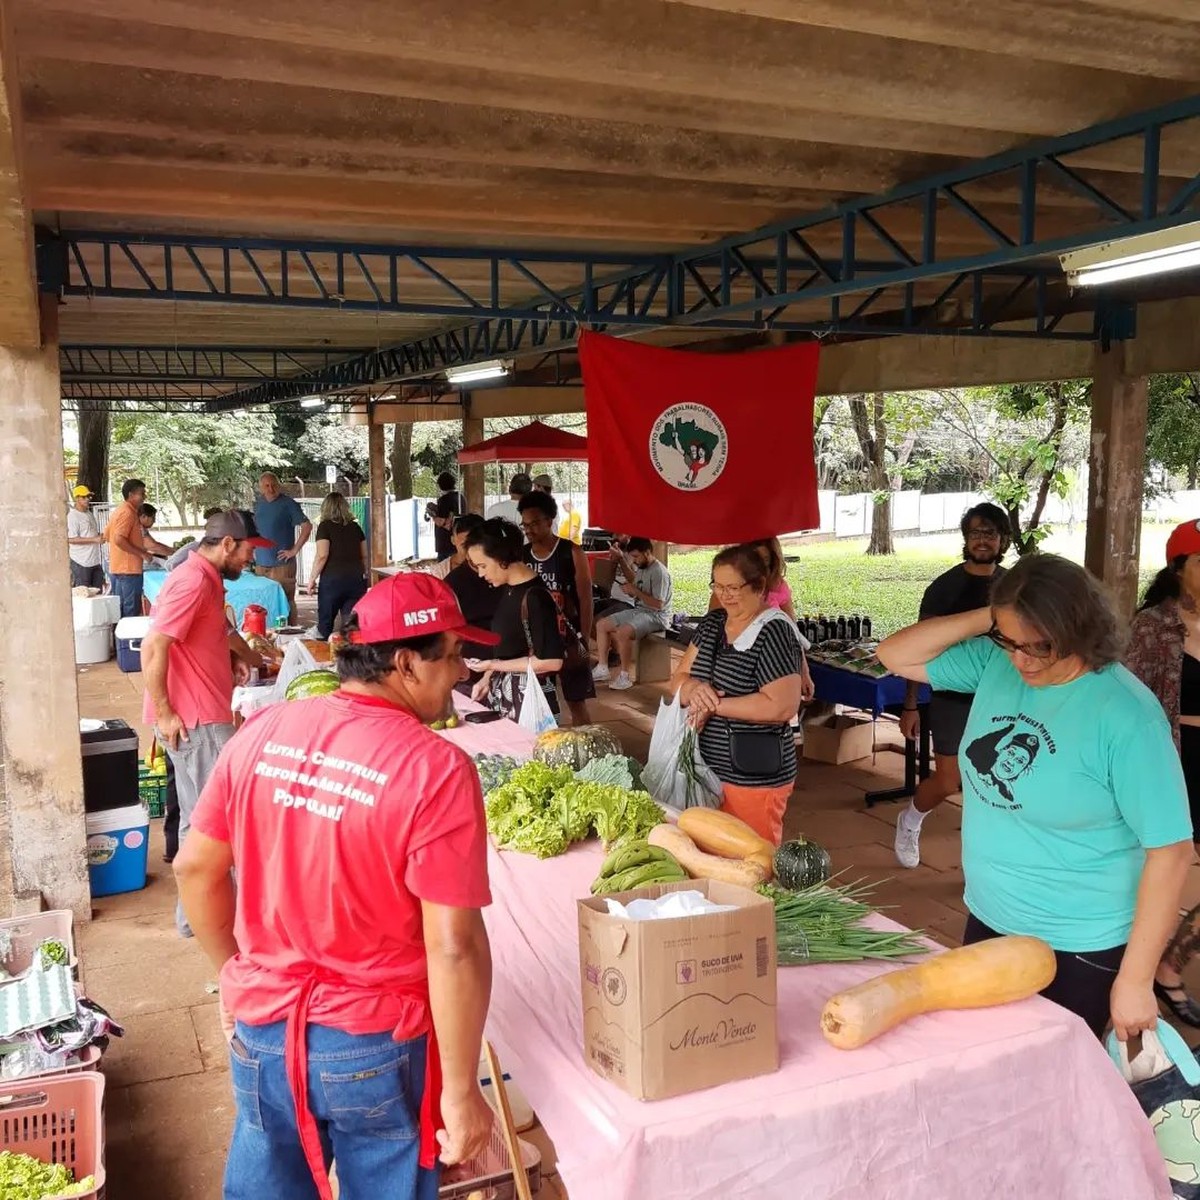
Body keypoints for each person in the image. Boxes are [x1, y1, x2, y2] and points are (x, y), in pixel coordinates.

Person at [173, 572, 497, 1200]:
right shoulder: (436, 767)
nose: (460, 672)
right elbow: (454, 947)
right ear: (405, 662)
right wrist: (461, 1094)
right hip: (373, 1044)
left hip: (264, 1031)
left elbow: (194, 868)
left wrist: (237, 974)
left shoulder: (264, 730)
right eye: (453, 656)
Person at [876, 553, 1193, 1040]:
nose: (1022, 660)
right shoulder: (996, 666)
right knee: (982, 1061)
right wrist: (1000, 612)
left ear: (1081, 629)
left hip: (1080, 943)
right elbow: (894, 654)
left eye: (1040, 645)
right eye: (1009, 641)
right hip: (991, 916)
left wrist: (1134, 978)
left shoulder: (1127, 716)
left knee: (1056, 1081)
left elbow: (1170, 853)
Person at [141, 511, 272, 937]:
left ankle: (194, 920)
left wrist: (234, 658)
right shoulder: (193, 580)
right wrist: (164, 711)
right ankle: (217, 923)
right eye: (249, 551)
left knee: (197, 821)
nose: (250, 561)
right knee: (217, 825)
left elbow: (213, 631)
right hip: (197, 722)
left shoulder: (208, 578)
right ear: (229, 544)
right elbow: (154, 646)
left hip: (202, 714)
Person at [894, 503, 1012, 868]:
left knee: (992, 783)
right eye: (975, 532)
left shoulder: (1012, 586)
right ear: (965, 538)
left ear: (1002, 539)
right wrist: (911, 705)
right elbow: (917, 648)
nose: (982, 540)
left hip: (999, 695)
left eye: (989, 533)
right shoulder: (944, 588)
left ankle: (984, 860)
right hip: (951, 696)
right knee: (948, 781)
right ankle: (910, 819)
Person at [670, 544, 804, 846]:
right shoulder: (712, 624)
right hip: (703, 766)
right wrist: (694, 690)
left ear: (758, 586)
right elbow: (678, 680)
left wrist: (714, 705)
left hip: (752, 775)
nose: (724, 595)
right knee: (708, 856)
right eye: (718, 586)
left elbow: (781, 706)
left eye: (733, 587)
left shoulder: (775, 631)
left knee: (752, 859)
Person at [1125, 518, 1200, 1026]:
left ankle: (1170, 963)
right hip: (1175, 758)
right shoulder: (1153, 626)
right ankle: (1140, 970)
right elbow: (1128, 702)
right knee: (1166, 868)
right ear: (1179, 569)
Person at [464, 519, 563, 721]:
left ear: (502, 558)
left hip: (530, 703)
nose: (481, 574)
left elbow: (552, 661)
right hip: (506, 696)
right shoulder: (508, 589)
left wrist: (491, 665)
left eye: (483, 565)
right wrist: (486, 678)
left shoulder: (535, 597)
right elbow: (509, 650)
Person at [519, 490, 595, 723]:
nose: (528, 529)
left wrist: (583, 637)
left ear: (550, 521)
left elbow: (585, 597)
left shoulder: (571, 551)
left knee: (576, 701)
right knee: (540, 701)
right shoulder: (523, 556)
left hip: (569, 638)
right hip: (538, 641)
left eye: (533, 523)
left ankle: (587, 751)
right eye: (524, 525)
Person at [593, 537, 673, 692]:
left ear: (647, 552)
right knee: (601, 625)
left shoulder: (659, 572)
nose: (635, 561)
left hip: (657, 615)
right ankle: (602, 667)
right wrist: (631, 591)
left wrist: (635, 592)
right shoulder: (643, 567)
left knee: (623, 632)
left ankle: (624, 676)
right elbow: (637, 588)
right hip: (640, 610)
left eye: (636, 557)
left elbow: (659, 604)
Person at [444, 516, 500, 690]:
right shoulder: (452, 582)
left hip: (508, 662)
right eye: (463, 546)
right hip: (470, 666)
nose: (468, 551)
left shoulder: (505, 575)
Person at [303, 492, 368, 640]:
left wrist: (312, 579)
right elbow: (364, 555)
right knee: (351, 626)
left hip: (332, 582)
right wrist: (363, 575)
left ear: (325, 508)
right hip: (355, 581)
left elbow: (322, 555)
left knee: (324, 627)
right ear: (345, 507)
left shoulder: (325, 527)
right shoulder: (356, 527)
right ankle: (350, 658)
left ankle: (324, 658)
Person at [253, 473, 312, 623]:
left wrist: (294, 550)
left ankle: (292, 631)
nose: (270, 488)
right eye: (266, 485)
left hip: (282, 565)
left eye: (273, 485)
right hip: (261, 564)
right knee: (263, 602)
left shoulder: (288, 503)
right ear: (261, 487)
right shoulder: (258, 504)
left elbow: (307, 526)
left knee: (286, 600)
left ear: (278, 485)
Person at [107, 478, 169, 617]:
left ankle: (120, 638)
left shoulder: (118, 511)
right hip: (128, 570)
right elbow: (118, 539)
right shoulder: (128, 513)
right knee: (130, 611)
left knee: (120, 610)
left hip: (118, 567)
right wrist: (142, 553)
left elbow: (107, 536)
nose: (144, 496)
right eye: (142, 493)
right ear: (131, 495)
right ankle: (129, 639)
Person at [66, 485, 105, 589]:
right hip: (81, 562)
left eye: (88, 497)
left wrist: (99, 536)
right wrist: (94, 539)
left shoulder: (89, 514)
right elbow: (70, 539)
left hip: (94, 561)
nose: (87, 499)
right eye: (84, 497)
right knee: (83, 595)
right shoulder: (72, 517)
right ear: (77, 498)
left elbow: (90, 533)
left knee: (97, 594)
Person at [427, 472, 464, 562]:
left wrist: (432, 513)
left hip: (445, 542)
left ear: (440, 485)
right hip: (459, 538)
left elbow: (442, 522)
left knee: (444, 570)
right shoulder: (461, 497)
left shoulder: (444, 500)